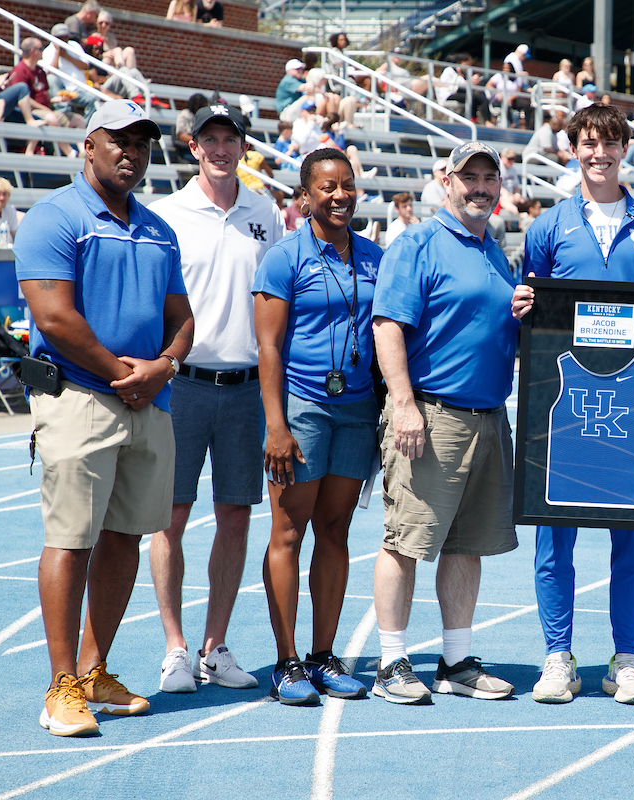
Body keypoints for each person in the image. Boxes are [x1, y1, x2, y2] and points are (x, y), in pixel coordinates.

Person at [16, 100, 193, 737]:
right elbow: (54, 318)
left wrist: (164, 367)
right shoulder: (54, 217)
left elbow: (184, 320)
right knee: (71, 537)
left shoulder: (158, 229)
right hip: (81, 399)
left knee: (125, 537)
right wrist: (127, 375)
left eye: (142, 142)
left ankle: (94, 671)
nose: (132, 152)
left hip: (148, 401)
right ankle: (61, 685)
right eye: (118, 140)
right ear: (87, 146)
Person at [514, 104, 634, 705]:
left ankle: (626, 660)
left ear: (626, 150)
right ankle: (558, 656)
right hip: (565, 406)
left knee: (632, 535)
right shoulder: (548, 226)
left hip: (630, 407)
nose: (600, 154)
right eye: (589, 144)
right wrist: (522, 307)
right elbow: (531, 307)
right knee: (555, 536)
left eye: (610, 144)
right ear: (573, 149)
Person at [370, 141, 520, 705]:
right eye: (469, 176)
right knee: (406, 541)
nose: (480, 186)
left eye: (489, 176)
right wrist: (404, 404)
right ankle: (390, 662)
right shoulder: (417, 243)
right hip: (432, 416)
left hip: (487, 418)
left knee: (466, 545)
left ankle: (455, 660)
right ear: (445, 180)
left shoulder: (493, 252)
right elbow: (388, 326)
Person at [148, 103, 283, 694]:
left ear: (243, 147)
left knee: (235, 515)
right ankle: (174, 646)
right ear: (193, 146)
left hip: (247, 388)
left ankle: (213, 646)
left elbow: (276, 299)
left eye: (231, 138)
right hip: (183, 384)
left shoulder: (265, 212)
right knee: (169, 518)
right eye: (211, 138)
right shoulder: (166, 214)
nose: (221, 148)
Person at [252, 148, 383, 706]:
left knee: (336, 531)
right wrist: (275, 424)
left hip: (356, 410)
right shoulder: (283, 260)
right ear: (305, 197)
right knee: (289, 531)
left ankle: (323, 655)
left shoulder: (376, 257)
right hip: (303, 407)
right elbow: (268, 346)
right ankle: (286, 663)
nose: (339, 195)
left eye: (347, 185)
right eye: (327, 187)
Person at [7, 37, 85, 157]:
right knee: (52, 117)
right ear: (33, 51)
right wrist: (45, 109)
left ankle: (83, 152)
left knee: (78, 120)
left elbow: (45, 96)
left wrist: (59, 99)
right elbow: (23, 98)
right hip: (30, 112)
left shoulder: (39, 71)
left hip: (46, 110)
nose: (42, 51)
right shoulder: (20, 69)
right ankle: (69, 152)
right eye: (41, 48)